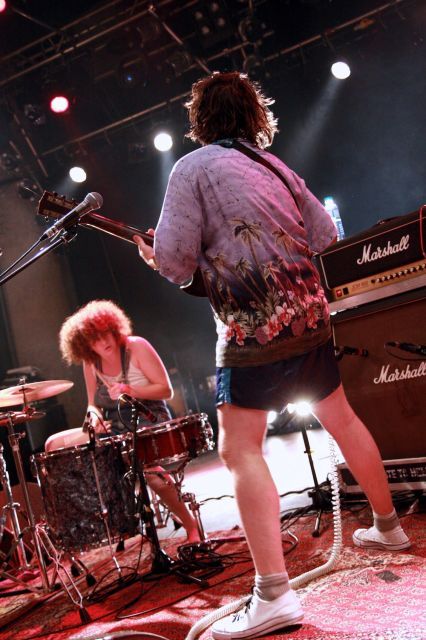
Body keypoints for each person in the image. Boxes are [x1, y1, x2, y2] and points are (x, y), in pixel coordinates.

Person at [134, 71, 410, 639]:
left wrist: (154, 256)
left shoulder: (190, 168)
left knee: (239, 450)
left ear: (201, 119)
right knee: (342, 418)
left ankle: (274, 595)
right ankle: (389, 526)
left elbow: (177, 262)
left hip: (253, 328)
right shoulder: (277, 166)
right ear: (254, 114)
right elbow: (327, 235)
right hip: (310, 317)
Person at [58, 299, 201, 544]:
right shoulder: (90, 363)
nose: (103, 342)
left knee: (150, 473)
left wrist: (130, 390)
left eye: (106, 333)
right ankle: (113, 531)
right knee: (71, 453)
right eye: (94, 339)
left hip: (148, 415)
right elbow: (92, 404)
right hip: (115, 423)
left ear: (114, 328)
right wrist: (94, 417)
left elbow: (166, 390)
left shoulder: (137, 347)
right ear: (85, 344)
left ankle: (191, 526)